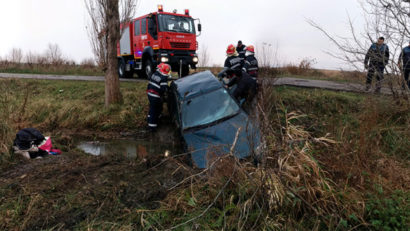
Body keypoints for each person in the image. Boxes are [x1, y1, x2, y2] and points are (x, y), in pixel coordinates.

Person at [147, 63, 171, 131]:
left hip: (149, 94)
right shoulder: (163, 78)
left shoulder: (154, 74)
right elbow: (163, 89)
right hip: (155, 96)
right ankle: (152, 127)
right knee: (155, 110)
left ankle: (149, 120)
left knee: (152, 108)